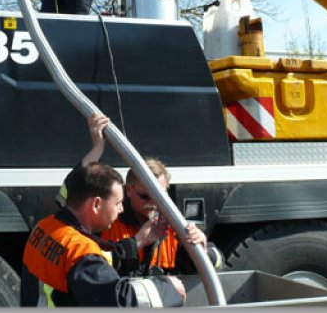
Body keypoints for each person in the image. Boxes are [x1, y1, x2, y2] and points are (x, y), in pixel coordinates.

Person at [60, 114, 222, 276]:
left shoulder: (173, 224)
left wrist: (202, 251)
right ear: (129, 190)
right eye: (145, 196)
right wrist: (97, 149)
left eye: (160, 197)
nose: (154, 203)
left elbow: (212, 264)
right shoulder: (109, 219)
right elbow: (70, 196)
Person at [21, 162, 186, 307]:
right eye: (118, 203)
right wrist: (167, 289)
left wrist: (138, 242)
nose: (121, 209)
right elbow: (119, 300)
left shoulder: (46, 226)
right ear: (96, 204)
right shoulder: (80, 254)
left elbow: (99, 258)